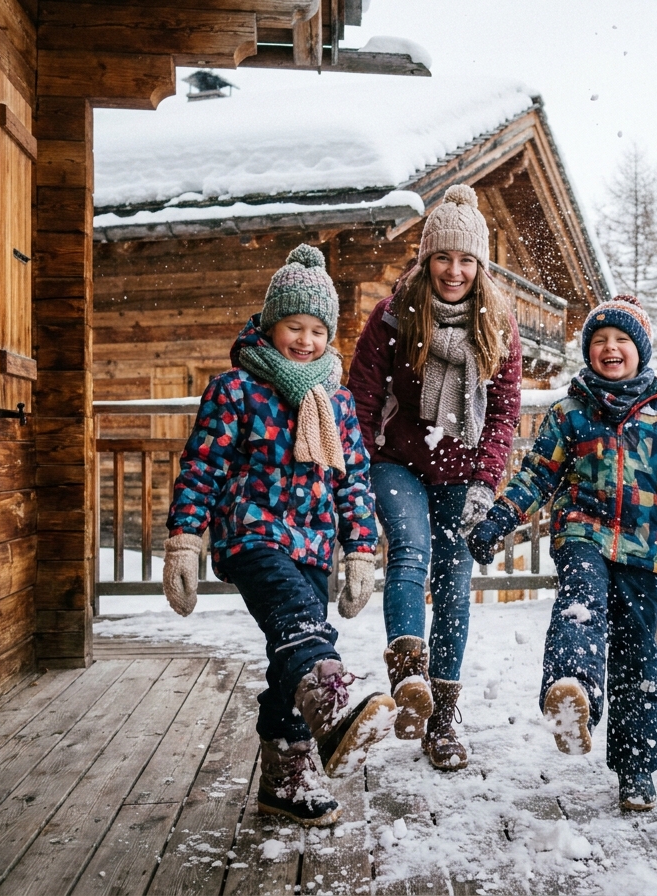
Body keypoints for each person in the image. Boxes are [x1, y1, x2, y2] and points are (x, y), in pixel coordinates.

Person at [467, 295, 657, 811]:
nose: (610, 348)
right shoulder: (570, 415)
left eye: (621, 341)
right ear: (587, 352)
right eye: (599, 341)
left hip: (642, 552)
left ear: (640, 351)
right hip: (582, 535)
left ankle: (636, 768)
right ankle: (571, 693)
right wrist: (499, 520)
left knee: (637, 658)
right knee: (582, 604)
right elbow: (535, 477)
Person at [162, 244, 396, 827]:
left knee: (289, 649)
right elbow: (203, 466)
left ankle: (287, 776)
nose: (307, 340)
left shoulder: (336, 402)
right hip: (253, 535)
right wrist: (186, 539)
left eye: (319, 329)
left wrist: (361, 550)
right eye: (296, 325)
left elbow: (354, 482)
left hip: (313, 544)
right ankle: (332, 702)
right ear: (271, 325)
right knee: (301, 628)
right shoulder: (236, 390)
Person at [347, 184, 522, 770]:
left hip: (462, 469)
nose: (454, 270)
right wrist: (356, 465)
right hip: (397, 461)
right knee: (410, 554)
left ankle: (443, 717)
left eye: (466, 260)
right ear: (426, 259)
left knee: (453, 580)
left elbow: (502, 413)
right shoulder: (394, 315)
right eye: (444, 258)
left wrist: (484, 483)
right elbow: (363, 397)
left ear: (481, 265)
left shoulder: (498, 324)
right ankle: (409, 679)